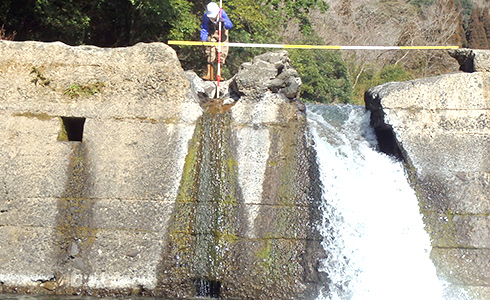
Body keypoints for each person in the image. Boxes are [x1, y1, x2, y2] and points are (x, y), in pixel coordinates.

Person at [200, 2, 233, 80]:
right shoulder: (206, 16)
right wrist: (203, 38)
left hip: (222, 32)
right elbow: (204, 28)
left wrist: (224, 22)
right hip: (211, 32)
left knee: (222, 53)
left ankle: (219, 75)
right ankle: (209, 74)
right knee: (209, 51)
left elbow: (229, 25)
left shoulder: (222, 12)